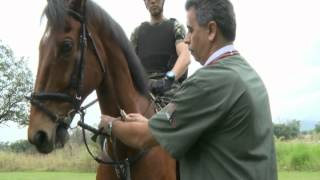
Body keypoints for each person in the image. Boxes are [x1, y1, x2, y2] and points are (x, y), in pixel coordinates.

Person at [100, 0, 278, 179]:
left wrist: (110, 124)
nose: (187, 38)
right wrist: (151, 123)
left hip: (166, 88)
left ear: (211, 31)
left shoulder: (206, 82)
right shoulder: (250, 75)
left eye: (191, 30)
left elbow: (142, 138)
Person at [131, 0, 190, 103]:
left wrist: (167, 80)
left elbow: (185, 57)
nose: (153, 1)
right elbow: (128, 64)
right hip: (144, 88)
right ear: (145, 2)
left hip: (169, 88)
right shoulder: (137, 33)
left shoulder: (175, 27)